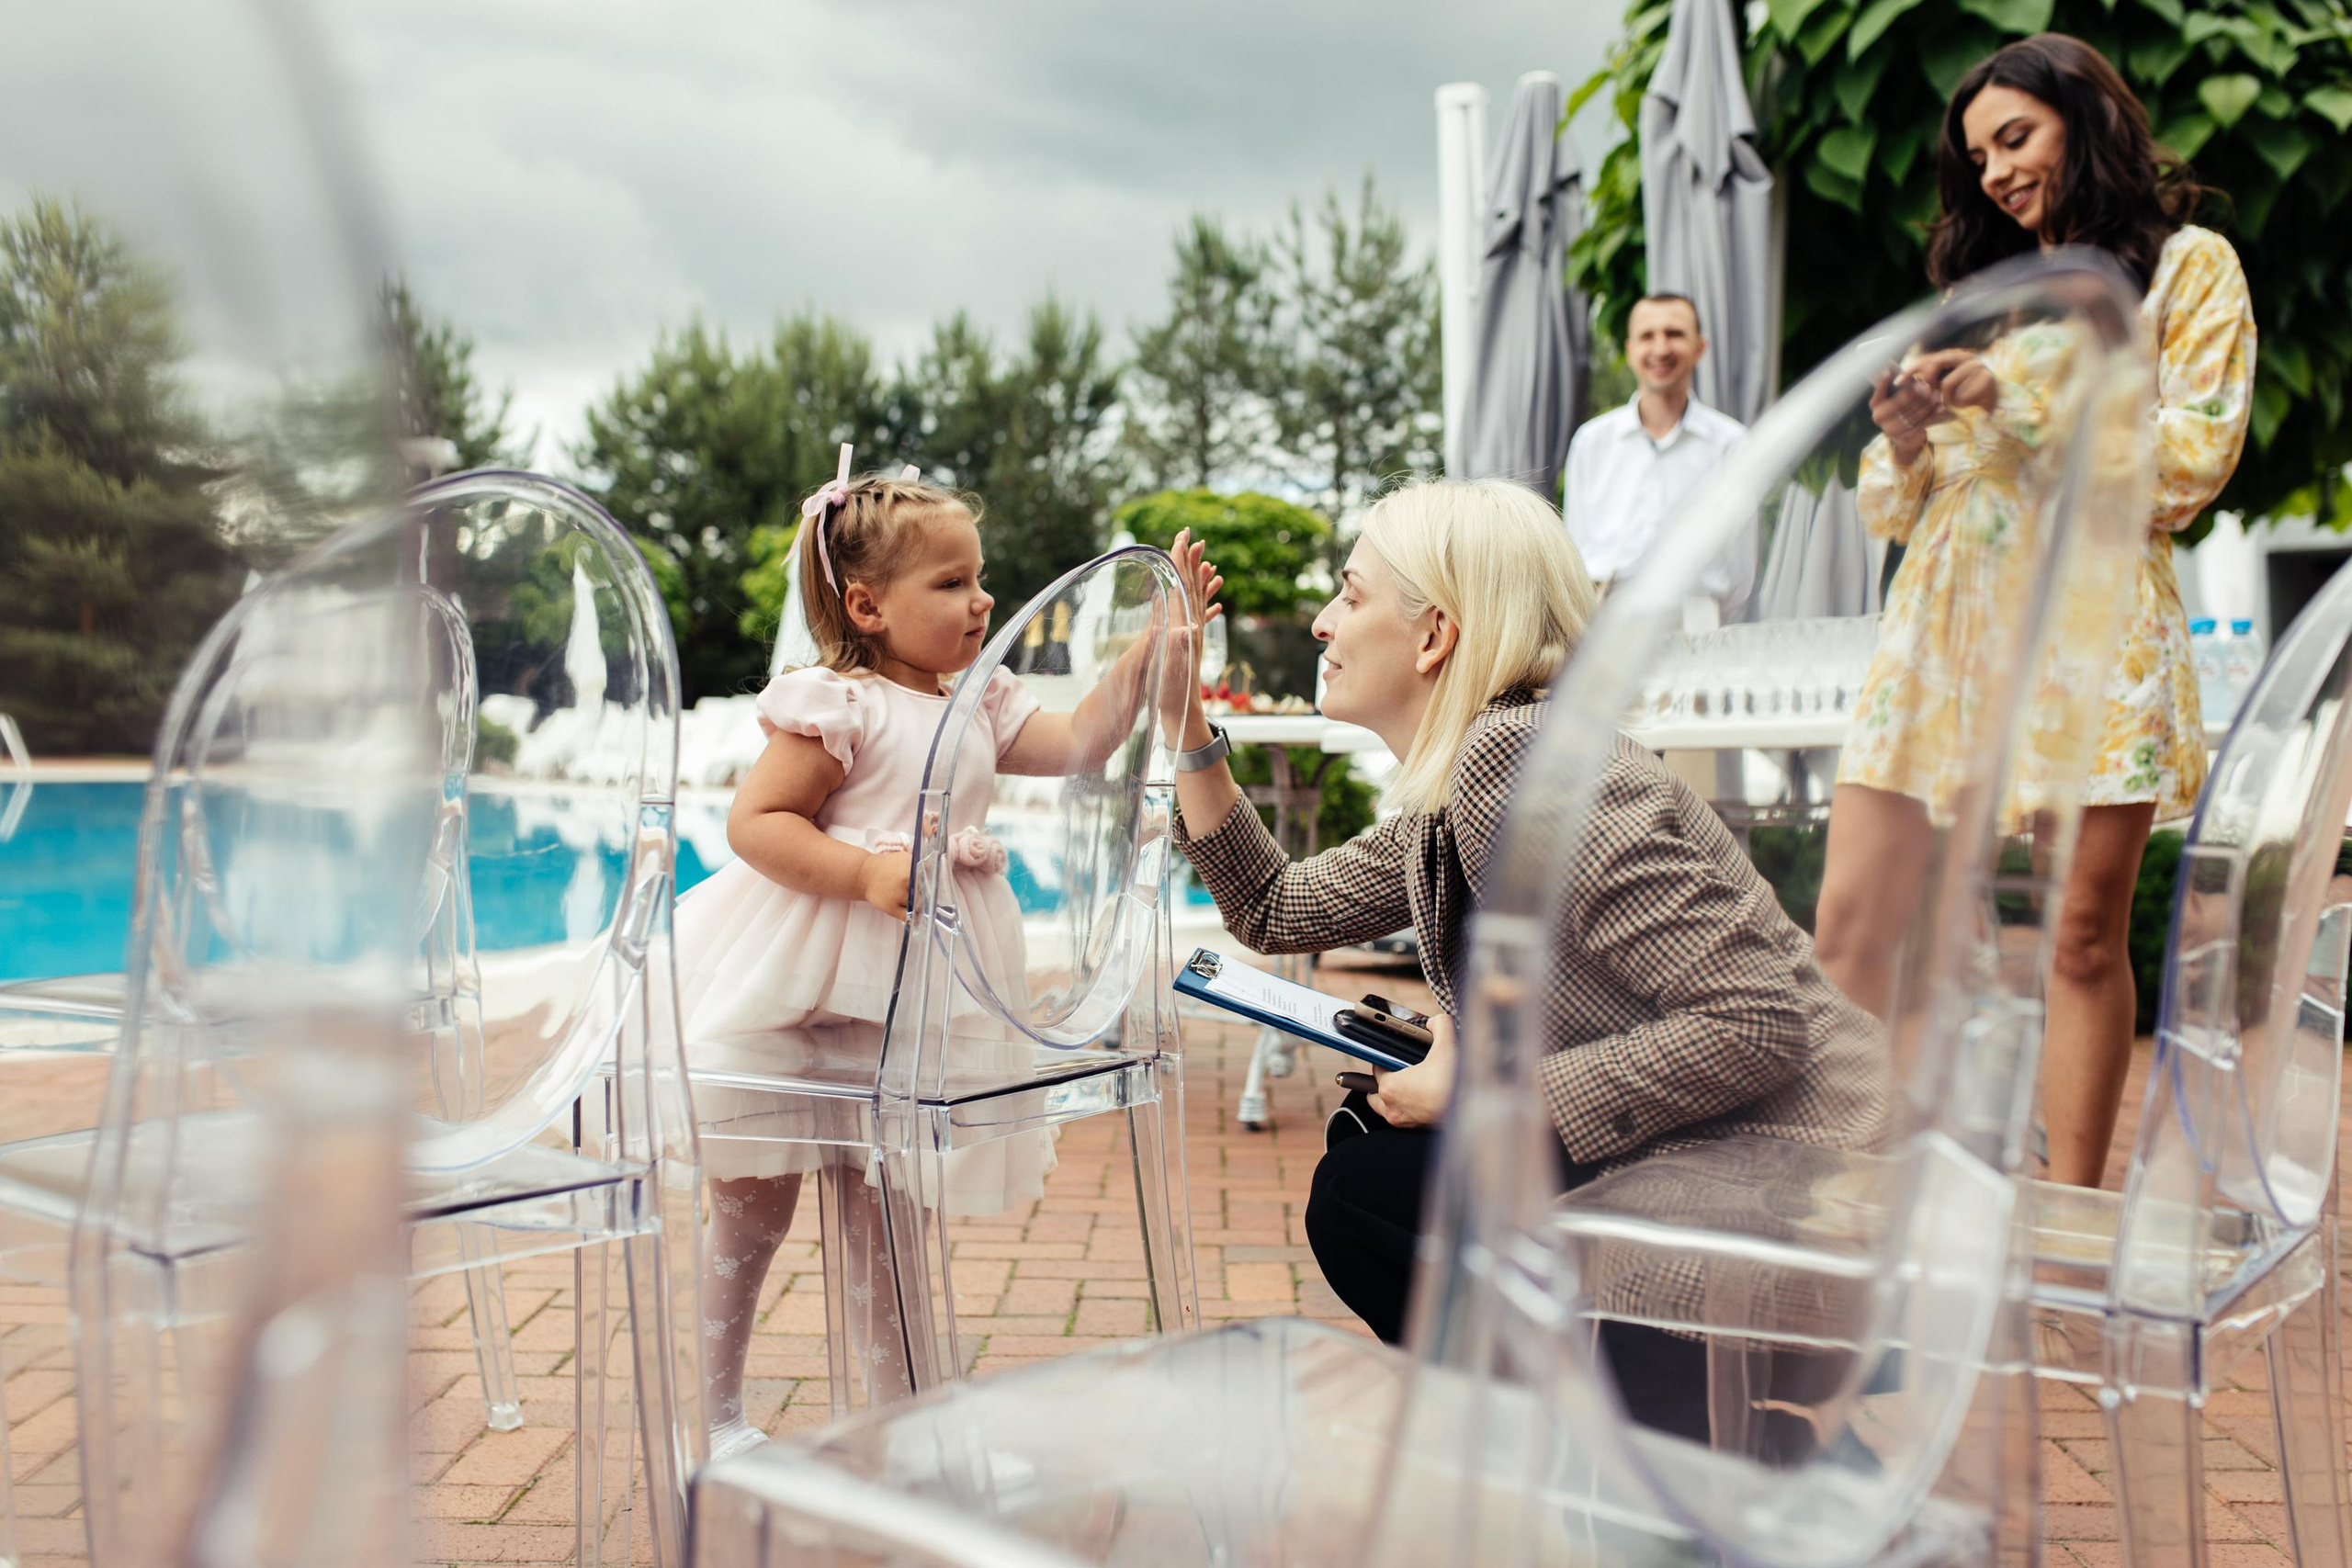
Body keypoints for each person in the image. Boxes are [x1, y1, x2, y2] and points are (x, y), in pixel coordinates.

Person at [1163, 479, 1883, 1440]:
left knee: (1371, 1198)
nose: (1325, 625)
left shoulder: (1520, 766)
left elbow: (1752, 1022)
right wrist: (1186, 727)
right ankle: (1696, 1450)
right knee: (1381, 1168)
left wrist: (1480, 1095)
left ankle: (1692, 1456)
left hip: (1810, 1183)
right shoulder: (1471, 782)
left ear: (1434, 637)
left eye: (1350, 592)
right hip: (1731, 1149)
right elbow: (1274, 905)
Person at [1814, 33, 2254, 1189]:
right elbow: (1893, 505)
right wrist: (1908, 434)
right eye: (1979, 155)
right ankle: (1843, 1186)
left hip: (2090, 626)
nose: (1998, 171)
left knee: (2073, 934)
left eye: (2016, 137)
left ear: (2085, 118)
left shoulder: (2185, 267)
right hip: (1941, 630)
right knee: (1853, 930)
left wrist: (2012, 400)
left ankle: (2068, 1207)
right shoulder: (1982, 294)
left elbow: (2189, 469)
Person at [677, 446, 1158, 1458]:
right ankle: (712, 1419)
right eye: (952, 582)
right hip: (799, 988)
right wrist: (860, 874)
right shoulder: (834, 703)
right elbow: (757, 823)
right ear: (866, 608)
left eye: (980, 579)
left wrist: (1147, 659)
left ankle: (901, 1422)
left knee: (888, 1220)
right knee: (753, 1207)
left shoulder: (978, 697)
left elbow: (1077, 744)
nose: (982, 602)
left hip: (917, 991)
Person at [1561, 292, 1756, 620]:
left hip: (1700, 618)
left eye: (1675, 334)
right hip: (1607, 618)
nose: (1661, 348)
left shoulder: (1732, 444)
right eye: (1647, 336)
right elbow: (1573, 553)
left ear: (1700, 347)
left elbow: (1742, 568)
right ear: (1630, 350)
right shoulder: (1591, 442)